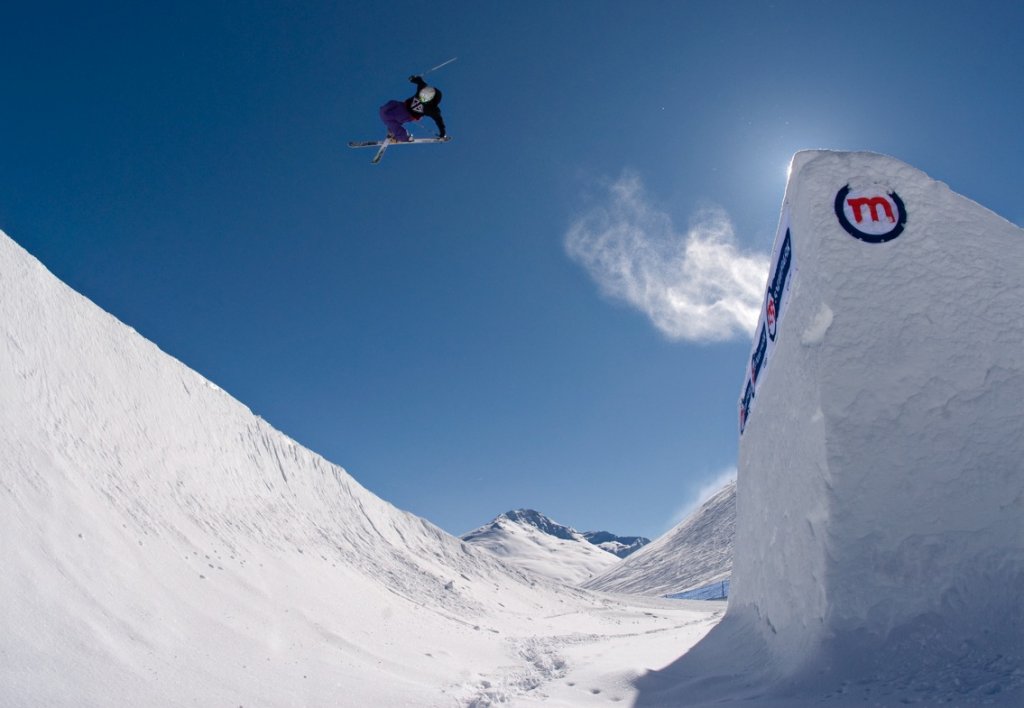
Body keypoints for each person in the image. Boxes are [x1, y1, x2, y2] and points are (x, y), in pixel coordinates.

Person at [378, 75, 446, 143]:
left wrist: (443, 133)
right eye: (421, 97)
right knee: (386, 113)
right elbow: (420, 82)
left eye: (424, 99)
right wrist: (413, 79)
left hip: (409, 115)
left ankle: (402, 136)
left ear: (430, 100)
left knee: (390, 120)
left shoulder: (432, 110)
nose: (421, 100)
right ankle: (394, 131)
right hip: (402, 106)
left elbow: (439, 121)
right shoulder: (422, 89)